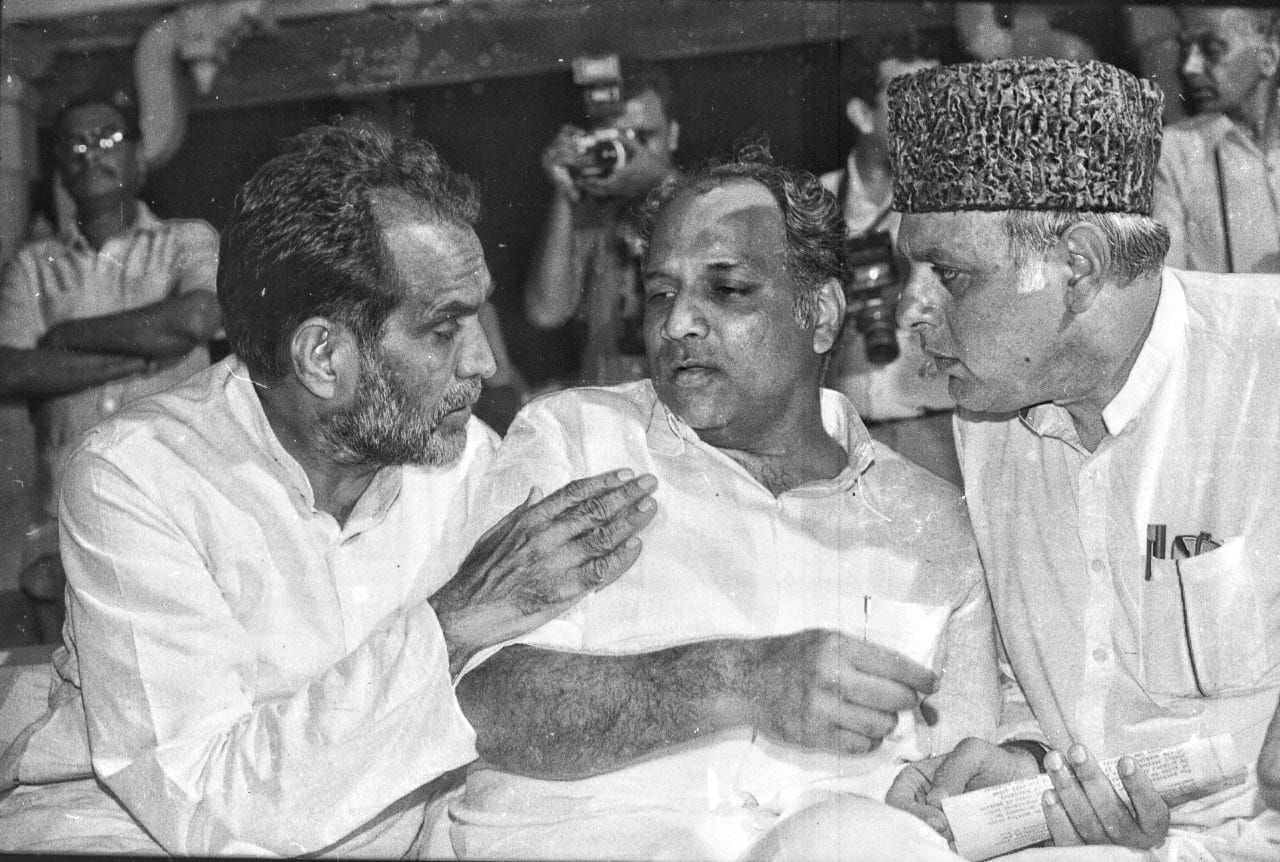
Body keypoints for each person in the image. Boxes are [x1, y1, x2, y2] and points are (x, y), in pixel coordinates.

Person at [0, 122, 657, 855]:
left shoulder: (466, 458)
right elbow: (211, 806)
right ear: (322, 356)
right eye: (445, 330)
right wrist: (454, 621)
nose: (482, 362)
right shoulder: (139, 475)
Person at [436, 148, 1000, 861]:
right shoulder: (577, 440)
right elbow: (484, 703)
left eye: (726, 289)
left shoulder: (928, 523)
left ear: (822, 315)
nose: (677, 325)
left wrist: (941, 799)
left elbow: (962, 769)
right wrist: (740, 679)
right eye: (661, 294)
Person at [884, 58, 1280, 858]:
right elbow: (1060, 689)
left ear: (1080, 265)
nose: (911, 310)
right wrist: (1030, 765)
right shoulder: (992, 415)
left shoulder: (1264, 373)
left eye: (949, 275)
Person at [0, 94, 222, 638]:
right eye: (74, 144)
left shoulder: (187, 240)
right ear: (59, 168)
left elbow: (198, 315)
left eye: (108, 138)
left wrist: (66, 337)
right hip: (71, 522)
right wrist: (152, 346)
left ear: (139, 158)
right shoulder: (33, 265)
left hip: (179, 515)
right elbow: (10, 371)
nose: (91, 153)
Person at [821, 29, 960, 486]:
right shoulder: (814, 203)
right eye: (911, 102)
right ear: (862, 114)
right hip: (843, 438)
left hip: (938, 430)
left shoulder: (958, 205)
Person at [523, 57, 680, 385]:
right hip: (610, 397)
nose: (629, 151)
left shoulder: (699, 203)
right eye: (617, 138)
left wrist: (661, 180)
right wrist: (565, 192)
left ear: (673, 135)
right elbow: (546, 312)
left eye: (642, 137)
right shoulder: (593, 216)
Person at [1155, 7, 1280, 273]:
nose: (1189, 68)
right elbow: (1168, 281)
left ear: (1268, 59)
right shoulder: (1171, 153)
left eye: (1211, 50)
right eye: (1185, 50)